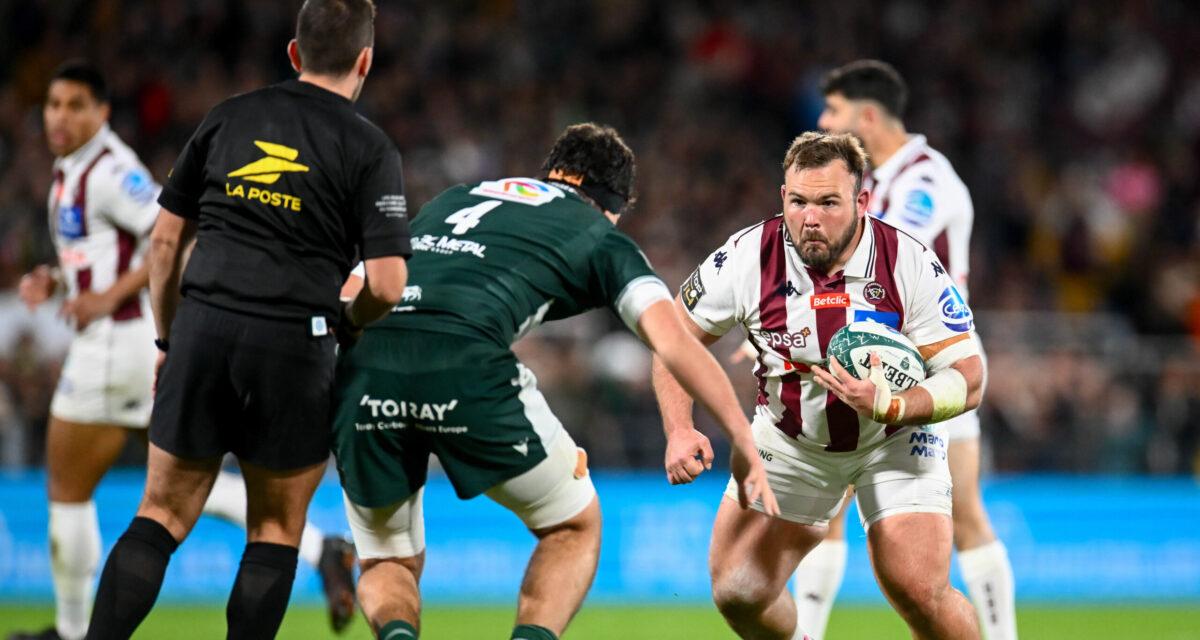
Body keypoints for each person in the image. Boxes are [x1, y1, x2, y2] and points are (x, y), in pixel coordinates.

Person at [334, 122, 777, 640]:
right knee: (573, 525)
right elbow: (675, 341)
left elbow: (357, 284)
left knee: (387, 557)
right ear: (614, 204)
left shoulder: (454, 199)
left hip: (364, 364)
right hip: (465, 366)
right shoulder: (600, 236)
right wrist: (742, 438)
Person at [83, 1, 410, 638]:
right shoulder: (371, 148)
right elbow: (390, 285)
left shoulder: (227, 117)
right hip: (297, 345)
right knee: (275, 532)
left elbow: (163, 245)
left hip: (203, 327)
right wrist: (349, 325)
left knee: (159, 515)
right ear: (365, 61)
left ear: (294, 53)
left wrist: (168, 338)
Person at [8, 60, 356, 640]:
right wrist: (59, 279)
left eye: (74, 105)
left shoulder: (112, 171)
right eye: (52, 105)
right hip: (139, 342)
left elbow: (165, 236)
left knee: (76, 491)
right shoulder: (73, 170)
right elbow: (105, 252)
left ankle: (71, 631)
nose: (59, 117)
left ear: (102, 113)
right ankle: (322, 548)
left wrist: (104, 300)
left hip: (122, 340)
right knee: (179, 488)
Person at [652, 131, 984, 640]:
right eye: (798, 201)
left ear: (861, 201)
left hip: (892, 440)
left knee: (918, 588)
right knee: (738, 593)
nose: (811, 217)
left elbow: (970, 377)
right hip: (791, 440)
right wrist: (678, 427)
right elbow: (673, 338)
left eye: (829, 202)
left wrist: (896, 404)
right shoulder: (747, 257)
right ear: (782, 197)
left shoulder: (906, 259)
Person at [788, 59, 1016, 640]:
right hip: (865, 353)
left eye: (834, 110)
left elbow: (889, 252)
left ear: (867, 115)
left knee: (964, 517)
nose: (823, 119)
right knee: (829, 509)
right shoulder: (880, 180)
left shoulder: (924, 182)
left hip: (934, 363)